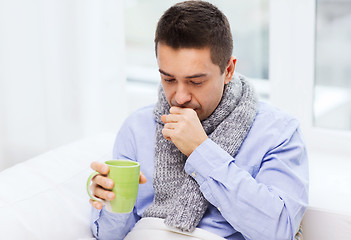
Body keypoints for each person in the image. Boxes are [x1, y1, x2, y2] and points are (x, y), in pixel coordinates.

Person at [89, 1, 309, 239]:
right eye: (169, 79)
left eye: (196, 82)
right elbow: (110, 236)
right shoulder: (136, 127)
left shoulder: (278, 132)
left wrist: (201, 151)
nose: (180, 97)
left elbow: (278, 230)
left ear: (229, 70)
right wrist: (109, 202)